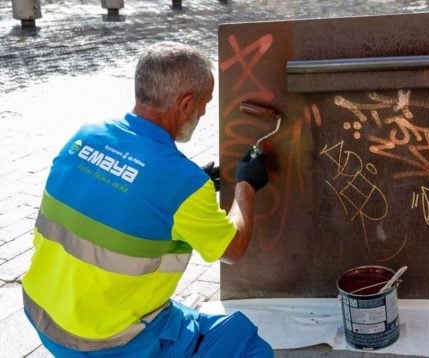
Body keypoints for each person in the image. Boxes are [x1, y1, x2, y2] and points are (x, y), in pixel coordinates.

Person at [21, 41, 273, 357]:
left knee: (178, 311)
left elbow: (119, 191)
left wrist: (189, 187)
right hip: (103, 341)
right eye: (204, 103)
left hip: (42, 310)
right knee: (248, 345)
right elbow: (232, 249)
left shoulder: (86, 134)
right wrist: (245, 186)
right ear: (185, 104)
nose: (204, 112)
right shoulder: (184, 183)